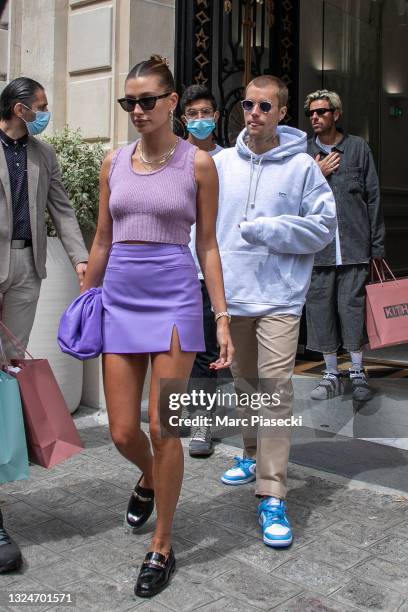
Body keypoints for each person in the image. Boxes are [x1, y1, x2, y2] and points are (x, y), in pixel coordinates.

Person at [80, 55, 233, 597]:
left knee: (163, 426)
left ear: (172, 102)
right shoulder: (113, 161)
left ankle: (162, 545)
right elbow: (101, 238)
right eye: (129, 102)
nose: (138, 110)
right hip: (120, 296)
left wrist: (221, 317)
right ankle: (148, 476)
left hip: (173, 297)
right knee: (122, 429)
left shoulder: (197, 164)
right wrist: (85, 299)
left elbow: (208, 245)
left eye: (147, 100)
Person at [215, 75, 336, 547]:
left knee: (276, 390)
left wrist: (267, 229)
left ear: (282, 113)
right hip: (233, 296)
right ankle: (249, 453)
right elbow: (201, 229)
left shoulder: (303, 166)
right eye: (248, 104)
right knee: (244, 383)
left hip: (281, 299)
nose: (254, 113)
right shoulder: (222, 163)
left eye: (265, 106)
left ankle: (273, 493)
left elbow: (322, 227)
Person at [0, 77, 88, 573]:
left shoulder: (43, 153)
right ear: (17, 107)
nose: (45, 114)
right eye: (40, 107)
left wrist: (80, 259)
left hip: (27, 272)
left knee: (6, 373)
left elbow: (62, 207)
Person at [304, 89, 385, 401]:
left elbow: (373, 197)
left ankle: (356, 370)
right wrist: (317, 173)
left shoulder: (357, 148)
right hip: (317, 251)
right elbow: (293, 200)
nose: (315, 117)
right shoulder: (303, 154)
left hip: (353, 248)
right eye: (311, 112)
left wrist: (376, 247)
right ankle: (329, 373)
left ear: (336, 114)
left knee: (351, 311)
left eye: (322, 111)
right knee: (320, 310)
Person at [180, 84, 223, 457]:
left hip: (212, 271)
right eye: (192, 114)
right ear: (182, 119)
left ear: (217, 117)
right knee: (176, 345)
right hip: (176, 269)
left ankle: (203, 420)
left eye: (205, 113)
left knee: (208, 349)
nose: (199, 120)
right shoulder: (171, 158)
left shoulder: (230, 161)